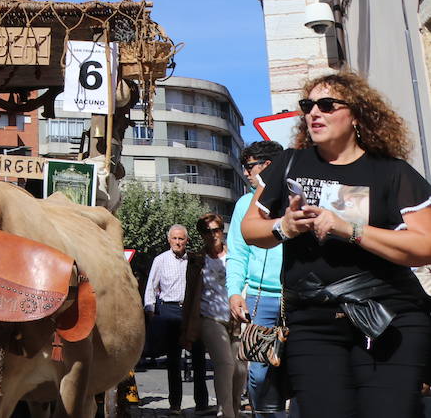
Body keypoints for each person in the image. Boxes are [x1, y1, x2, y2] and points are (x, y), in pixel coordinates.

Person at [242, 70, 431, 418]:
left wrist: (352, 229)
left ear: (357, 113)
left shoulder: (391, 172)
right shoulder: (288, 165)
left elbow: (424, 245)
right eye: (308, 105)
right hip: (312, 324)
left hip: (387, 317)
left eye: (327, 105)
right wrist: (283, 227)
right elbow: (250, 229)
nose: (314, 112)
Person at [226, 139, 287, 418]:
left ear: (268, 166)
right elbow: (237, 254)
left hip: (296, 297)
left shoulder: (295, 199)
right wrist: (235, 292)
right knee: (259, 373)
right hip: (260, 299)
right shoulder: (244, 205)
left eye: (250, 166)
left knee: (300, 367)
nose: (246, 173)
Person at [182, 212, 242, 418]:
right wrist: (187, 327)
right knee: (225, 363)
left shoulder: (235, 254)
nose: (212, 234)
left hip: (236, 317)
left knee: (241, 368)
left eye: (216, 230)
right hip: (210, 317)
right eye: (207, 231)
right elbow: (190, 294)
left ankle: (235, 407)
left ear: (222, 231)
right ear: (201, 235)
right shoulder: (197, 260)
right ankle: (226, 413)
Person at [145, 224, 208, 416]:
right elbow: (151, 287)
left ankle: (202, 404)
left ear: (186, 241)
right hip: (169, 310)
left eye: (181, 239)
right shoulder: (160, 260)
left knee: (199, 358)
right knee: (173, 361)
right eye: (175, 238)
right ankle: (175, 405)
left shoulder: (195, 260)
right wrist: (150, 311)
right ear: (169, 240)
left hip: (192, 312)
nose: (178, 242)